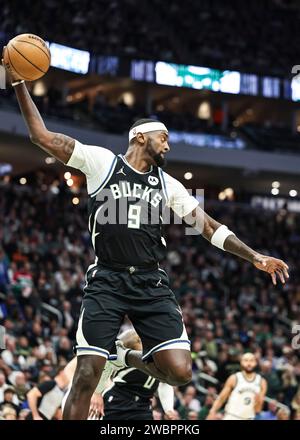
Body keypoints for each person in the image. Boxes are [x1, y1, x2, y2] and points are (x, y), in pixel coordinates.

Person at [2, 55, 289, 420]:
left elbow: (207, 226)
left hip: (152, 283)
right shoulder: (102, 162)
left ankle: (124, 356)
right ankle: (109, 360)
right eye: (163, 137)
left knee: (181, 372)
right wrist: (18, 83)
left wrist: (254, 256)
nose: (168, 145)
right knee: (87, 373)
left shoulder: (169, 185)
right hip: (107, 278)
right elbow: (41, 136)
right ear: (141, 136)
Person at [100, 329, 176, 420]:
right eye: (141, 341)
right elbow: (103, 371)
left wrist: (169, 409)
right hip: (117, 402)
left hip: (143, 406)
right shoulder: (126, 356)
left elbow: (164, 383)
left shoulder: (160, 358)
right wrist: (97, 393)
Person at [207, 353, 267, 420]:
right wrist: (212, 411)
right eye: (246, 360)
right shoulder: (234, 378)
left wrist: (258, 402)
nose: (249, 363)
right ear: (241, 362)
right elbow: (221, 398)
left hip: (249, 417)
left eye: (251, 360)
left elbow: (258, 410)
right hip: (232, 416)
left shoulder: (261, 382)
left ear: (255, 362)